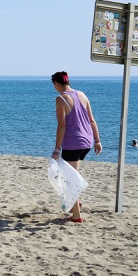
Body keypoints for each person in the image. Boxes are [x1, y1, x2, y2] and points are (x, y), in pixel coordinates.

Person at [51, 71, 101, 223]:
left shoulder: (61, 99)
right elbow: (92, 120)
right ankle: (76, 202)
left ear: (57, 84)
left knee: (70, 179)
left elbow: (62, 126)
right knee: (71, 174)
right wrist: (97, 141)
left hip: (73, 143)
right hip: (87, 141)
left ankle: (77, 216)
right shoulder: (82, 95)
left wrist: (57, 148)